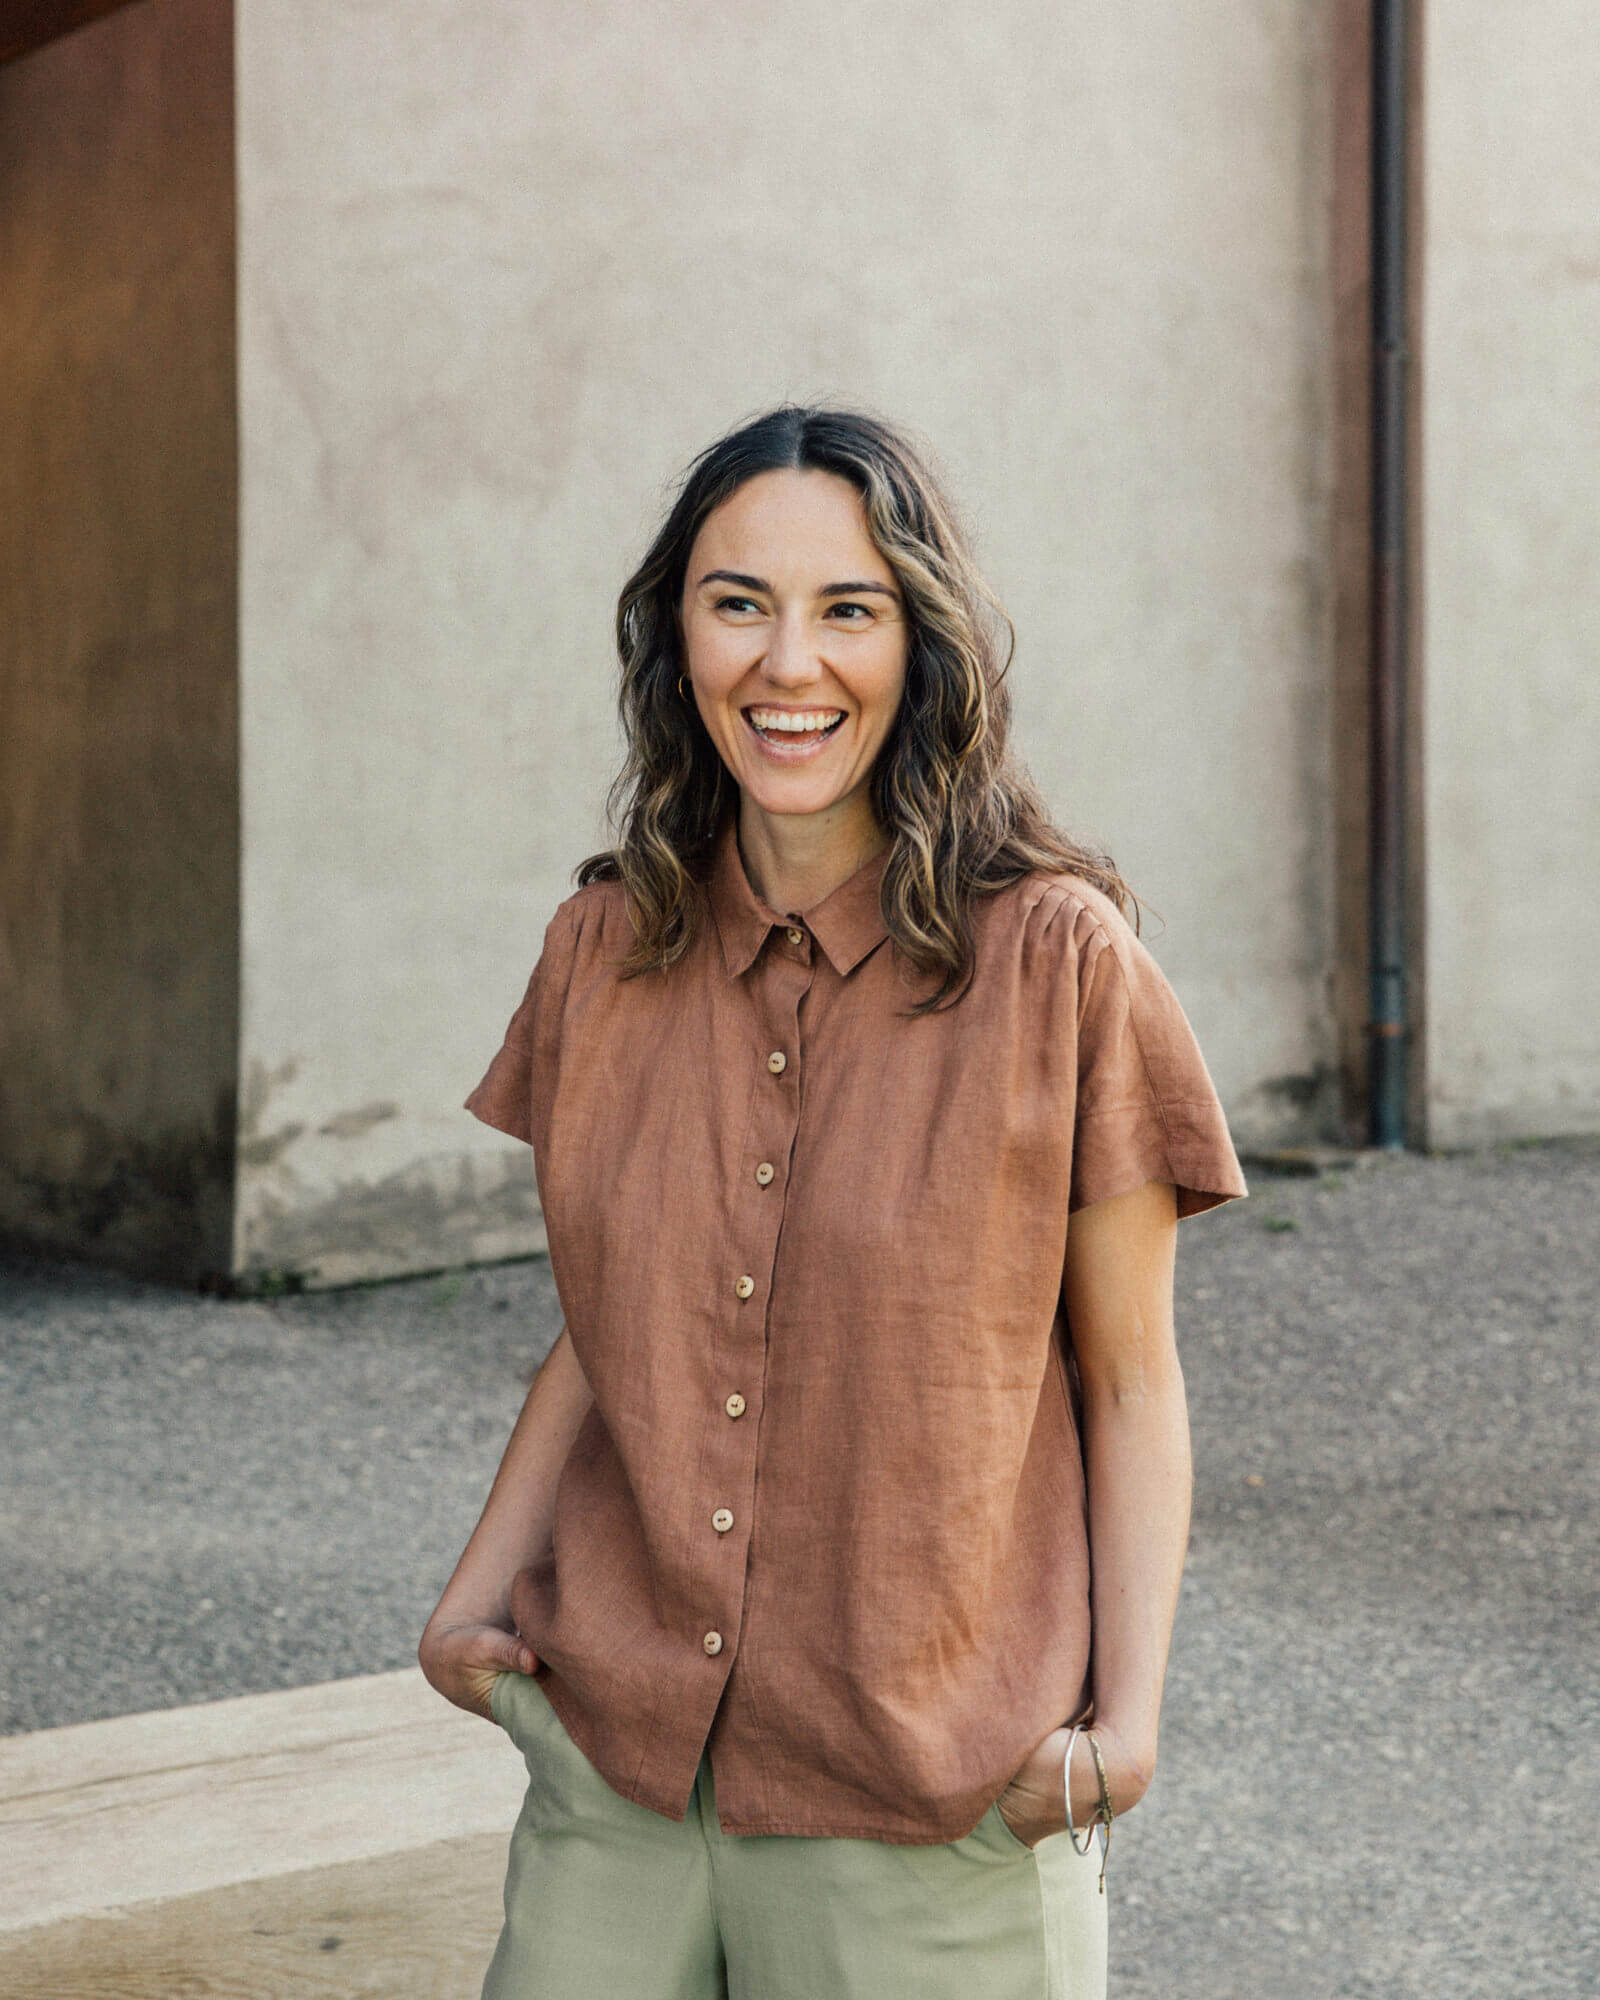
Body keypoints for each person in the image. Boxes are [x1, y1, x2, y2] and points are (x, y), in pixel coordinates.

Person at [419, 404, 1248, 1999]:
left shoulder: (1061, 965)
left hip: (930, 1807)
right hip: (620, 1780)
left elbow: (1133, 1376)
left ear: (920, 643)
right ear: (678, 634)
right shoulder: (600, 953)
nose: (786, 664)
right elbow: (608, 1330)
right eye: (739, 603)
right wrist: (473, 1596)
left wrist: (1122, 1733)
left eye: (847, 609)